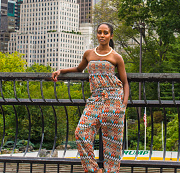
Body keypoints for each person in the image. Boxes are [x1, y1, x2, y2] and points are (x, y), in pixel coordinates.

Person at [51, 22, 129, 173]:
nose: (102, 35)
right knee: (81, 132)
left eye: (105, 33)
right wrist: (61, 70)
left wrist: (123, 105)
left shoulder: (116, 57)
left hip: (114, 99)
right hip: (95, 99)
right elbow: (79, 69)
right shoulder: (89, 53)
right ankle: (94, 170)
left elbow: (125, 83)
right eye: (99, 32)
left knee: (112, 142)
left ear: (111, 35)